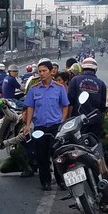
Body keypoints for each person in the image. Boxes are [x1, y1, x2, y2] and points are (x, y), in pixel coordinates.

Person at [24, 59, 70, 191]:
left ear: (51, 72)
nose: (42, 73)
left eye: (44, 71)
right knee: (41, 156)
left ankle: (61, 181)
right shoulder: (34, 89)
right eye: (40, 71)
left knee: (58, 155)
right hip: (39, 127)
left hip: (55, 126)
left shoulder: (59, 88)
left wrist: (62, 120)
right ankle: (45, 182)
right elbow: (30, 108)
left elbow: (65, 105)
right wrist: (28, 125)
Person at [67, 57, 108, 139]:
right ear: (95, 70)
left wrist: (69, 120)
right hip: (95, 122)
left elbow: (70, 103)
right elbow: (102, 107)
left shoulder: (75, 80)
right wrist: (101, 124)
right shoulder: (101, 84)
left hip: (77, 121)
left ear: (82, 68)